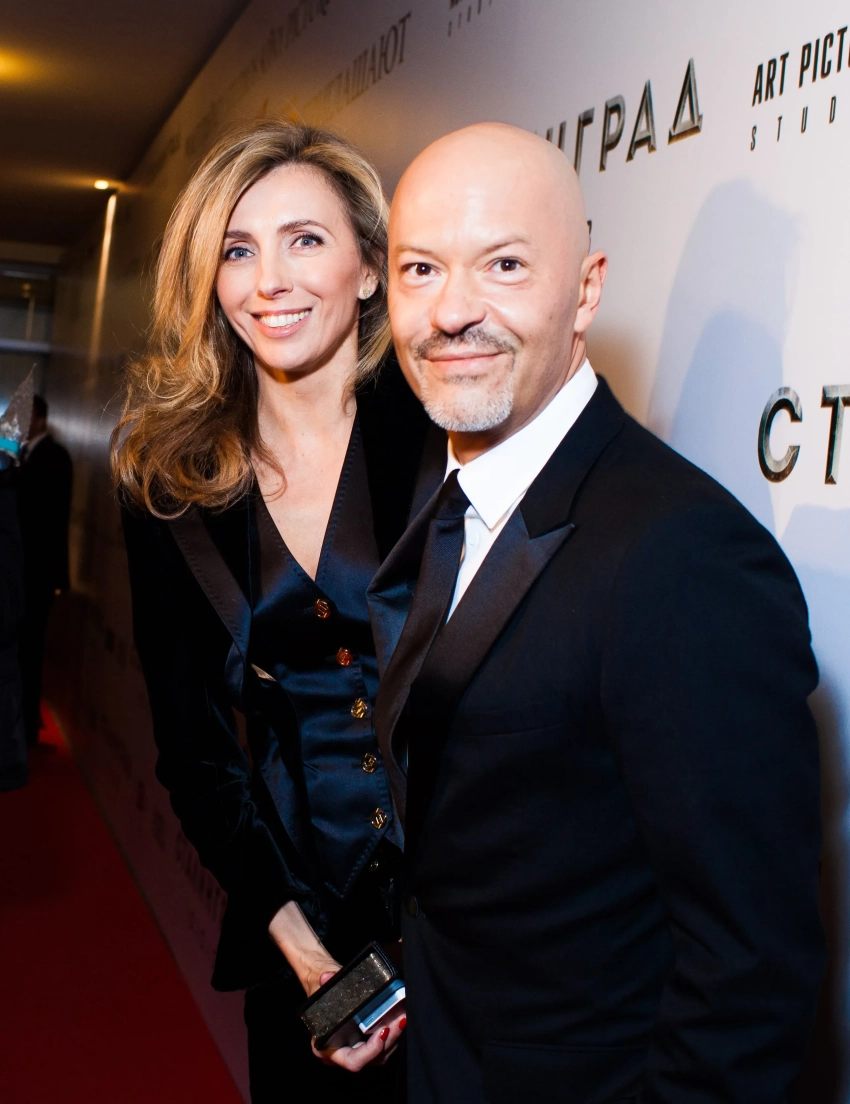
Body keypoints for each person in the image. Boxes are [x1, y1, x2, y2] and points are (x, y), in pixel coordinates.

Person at [368, 123, 825, 1103]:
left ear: (585, 290)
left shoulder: (681, 554)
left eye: (503, 265)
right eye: (420, 269)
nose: (452, 310)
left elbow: (749, 973)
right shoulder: (449, 496)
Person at [113, 122, 430, 1102]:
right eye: (238, 250)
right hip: (299, 915)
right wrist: (311, 961)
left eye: (305, 240)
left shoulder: (447, 435)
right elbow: (195, 752)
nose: (268, 282)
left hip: (479, 915)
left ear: (369, 268)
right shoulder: (169, 480)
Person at [17, 394, 72, 747]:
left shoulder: (54, 457)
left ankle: (25, 731)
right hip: (19, 575)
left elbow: (48, 523)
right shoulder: (23, 456)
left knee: (29, 652)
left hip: (35, 577)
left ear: (38, 418)